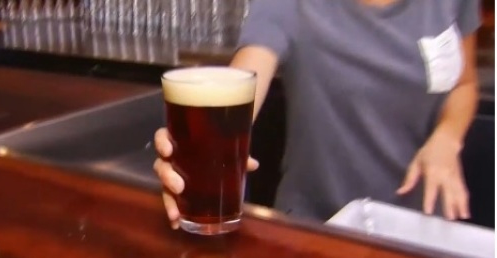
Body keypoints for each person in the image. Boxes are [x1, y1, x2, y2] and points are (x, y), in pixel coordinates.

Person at [153, 0, 482, 229]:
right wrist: (196, 150)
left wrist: (447, 136)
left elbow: (463, 83)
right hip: (320, 233)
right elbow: (243, 84)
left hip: (422, 228)